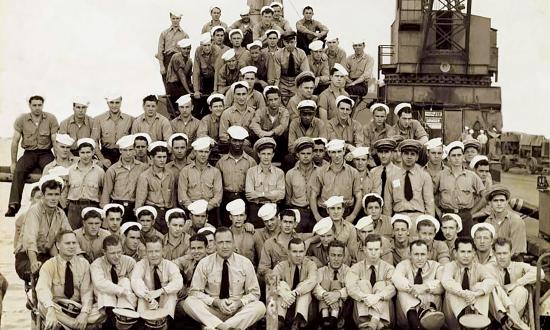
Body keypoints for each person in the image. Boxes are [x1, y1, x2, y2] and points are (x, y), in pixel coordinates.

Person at [183, 227, 266, 329]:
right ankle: (225, 327)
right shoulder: (204, 263)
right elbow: (194, 292)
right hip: (213, 311)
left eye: (228, 242)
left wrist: (238, 303)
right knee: (189, 302)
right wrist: (215, 302)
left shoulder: (245, 263)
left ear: (233, 243)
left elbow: (254, 293)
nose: (225, 246)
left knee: (260, 307)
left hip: (237, 312)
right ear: (214, 244)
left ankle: (218, 327)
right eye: (220, 242)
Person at [36, 230, 106, 329]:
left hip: (78, 309)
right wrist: (51, 309)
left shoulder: (84, 264)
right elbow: (42, 289)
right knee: (43, 306)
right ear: (58, 245)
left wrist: (84, 313)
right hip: (58, 308)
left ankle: (68, 325)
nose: (72, 246)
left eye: (74, 243)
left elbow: (87, 292)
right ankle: (75, 325)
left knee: (103, 307)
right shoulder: (49, 265)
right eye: (68, 243)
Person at [6, 95, 58, 217]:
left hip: (45, 153)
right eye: (34, 105)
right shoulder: (21, 120)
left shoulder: (51, 119)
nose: (37, 108)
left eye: (39, 105)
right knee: (19, 170)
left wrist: (58, 160)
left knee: (53, 173)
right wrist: (13, 162)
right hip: (29, 153)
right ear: (29, 105)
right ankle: (13, 205)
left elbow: (55, 141)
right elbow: (15, 141)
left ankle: (52, 204)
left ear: (43, 105)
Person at [14, 175, 71, 282]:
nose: (53, 198)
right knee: (46, 271)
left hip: (46, 256)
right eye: (49, 194)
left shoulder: (61, 213)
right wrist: (34, 262)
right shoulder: (34, 211)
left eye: (56, 194)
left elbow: (68, 235)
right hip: (26, 258)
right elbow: (30, 240)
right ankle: (44, 298)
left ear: (60, 196)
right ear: (43, 195)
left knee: (70, 270)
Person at [441, 237, 498, 329]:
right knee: (453, 290)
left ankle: (479, 325)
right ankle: (462, 326)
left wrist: (475, 294)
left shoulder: (479, 267)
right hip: (453, 317)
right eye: (462, 252)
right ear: (455, 253)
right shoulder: (450, 266)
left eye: (469, 252)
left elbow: (491, 281)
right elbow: (446, 281)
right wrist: (464, 294)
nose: (466, 255)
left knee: (481, 287)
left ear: (474, 253)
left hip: (473, 309)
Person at [486, 237, 540, 330]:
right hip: (496, 314)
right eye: (499, 253)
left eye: (505, 253)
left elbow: (540, 273)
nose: (502, 257)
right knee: (491, 289)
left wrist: (516, 284)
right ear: (494, 254)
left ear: (511, 252)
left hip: (515, 313)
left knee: (521, 290)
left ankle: (507, 324)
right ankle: (508, 323)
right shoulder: (489, 268)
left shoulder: (518, 266)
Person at [391, 240, 445, 330]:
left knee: (432, 291)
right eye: (416, 254)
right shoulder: (403, 265)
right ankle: (416, 324)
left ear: (428, 254)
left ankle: (425, 317)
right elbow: (397, 279)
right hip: (407, 316)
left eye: (423, 254)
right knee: (403, 293)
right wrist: (415, 291)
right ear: (410, 254)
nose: (420, 258)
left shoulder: (436, 266)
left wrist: (425, 287)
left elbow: (442, 284)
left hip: (431, 311)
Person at [434, 141, 485, 236]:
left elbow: (485, 196)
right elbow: (429, 194)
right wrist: (438, 211)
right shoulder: (440, 175)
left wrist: (472, 212)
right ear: (448, 158)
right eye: (453, 155)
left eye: (459, 155)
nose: (456, 158)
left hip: (465, 216)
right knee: (446, 244)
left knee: (466, 244)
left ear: (463, 157)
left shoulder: (472, 176)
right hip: (447, 215)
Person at [345, 233, 396, 329]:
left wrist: (377, 297)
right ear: (364, 249)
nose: (373, 253)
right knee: (363, 283)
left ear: (381, 250)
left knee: (381, 285)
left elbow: (393, 288)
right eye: (370, 249)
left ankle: (374, 321)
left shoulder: (389, 268)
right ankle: (372, 323)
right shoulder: (356, 268)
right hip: (362, 315)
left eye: (376, 249)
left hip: (385, 318)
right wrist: (366, 297)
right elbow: (351, 288)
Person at [130, 236, 183, 325]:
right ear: (146, 252)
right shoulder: (141, 264)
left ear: (163, 251)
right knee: (141, 296)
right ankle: (144, 323)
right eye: (150, 251)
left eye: (157, 251)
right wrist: (148, 297)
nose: (154, 255)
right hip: (148, 300)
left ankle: (164, 323)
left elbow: (178, 282)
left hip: (163, 300)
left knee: (171, 294)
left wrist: (161, 291)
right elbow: (136, 281)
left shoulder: (170, 265)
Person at [90, 235, 138, 328]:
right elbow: (100, 283)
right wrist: (123, 291)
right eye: (112, 253)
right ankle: (114, 323)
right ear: (104, 252)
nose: (117, 256)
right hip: (105, 304)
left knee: (125, 281)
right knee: (106, 290)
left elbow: (135, 281)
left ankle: (125, 320)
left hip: (125, 301)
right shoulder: (97, 264)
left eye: (119, 252)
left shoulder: (129, 261)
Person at [383, 139, 435, 223]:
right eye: (406, 153)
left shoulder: (424, 176)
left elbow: (429, 203)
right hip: (398, 218)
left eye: (412, 154)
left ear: (417, 157)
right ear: (401, 155)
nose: (409, 157)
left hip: (418, 218)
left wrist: (429, 224)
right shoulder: (392, 177)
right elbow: (387, 205)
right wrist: (388, 224)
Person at [310, 139, 362, 222]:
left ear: (344, 151)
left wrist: (353, 215)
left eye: (339, 151)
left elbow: (358, 195)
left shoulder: (353, 172)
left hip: (346, 213)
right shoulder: (320, 172)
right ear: (329, 153)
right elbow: (313, 195)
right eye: (333, 152)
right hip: (325, 213)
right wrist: (317, 216)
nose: (337, 155)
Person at [101, 135, 148, 223]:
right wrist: (105, 213)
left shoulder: (143, 168)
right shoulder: (113, 169)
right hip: (117, 206)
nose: (128, 153)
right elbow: (106, 192)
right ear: (120, 151)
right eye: (125, 150)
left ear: (134, 150)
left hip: (135, 206)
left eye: (130, 150)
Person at [273, 237, 318, 329]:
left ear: (305, 252)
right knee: (281, 284)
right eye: (294, 252)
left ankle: (298, 321)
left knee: (304, 287)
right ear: (288, 252)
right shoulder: (281, 265)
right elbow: (272, 282)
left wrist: (294, 293)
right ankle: (280, 320)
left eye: (301, 251)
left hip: (306, 306)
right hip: (284, 303)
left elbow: (312, 280)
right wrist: (284, 294)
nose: (298, 255)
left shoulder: (310, 264)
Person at [216, 126, 257, 226]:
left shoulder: (251, 162)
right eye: (234, 140)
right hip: (226, 198)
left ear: (244, 142)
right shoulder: (221, 162)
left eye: (240, 141)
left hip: (244, 198)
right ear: (229, 140)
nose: (237, 144)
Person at [178, 136, 223, 226]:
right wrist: (193, 209)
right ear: (195, 152)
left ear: (209, 153)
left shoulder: (215, 172)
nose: (203, 155)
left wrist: (206, 209)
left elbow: (218, 195)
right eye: (200, 151)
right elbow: (182, 194)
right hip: (191, 211)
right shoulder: (185, 171)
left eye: (206, 152)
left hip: (209, 211)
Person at [258, 209, 313, 278]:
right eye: (285, 222)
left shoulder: (300, 238)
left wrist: (309, 240)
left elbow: (319, 234)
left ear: (295, 224)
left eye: (290, 222)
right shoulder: (269, 243)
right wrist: (274, 273)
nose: (287, 225)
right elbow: (263, 268)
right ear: (280, 223)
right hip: (278, 279)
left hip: (298, 278)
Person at [65, 138, 105, 229]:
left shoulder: (99, 172)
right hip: (74, 207)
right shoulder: (71, 170)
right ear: (78, 153)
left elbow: (103, 190)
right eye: (82, 153)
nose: (85, 156)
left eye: (88, 152)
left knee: (91, 233)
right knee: (72, 233)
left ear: (93, 152)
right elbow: (66, 189)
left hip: (92, 206)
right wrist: (66, 206)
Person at [245, 137, 285, 228]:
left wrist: (259, 194)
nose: (266, 157)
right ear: (258, 154)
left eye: (269, 154)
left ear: (273, 155)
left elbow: (281, 195)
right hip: (256, 210)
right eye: (263, 154)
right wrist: (271, 195)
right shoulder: (251, 172)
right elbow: (249, 195)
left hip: (273, 208)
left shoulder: (279, 173)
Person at [135, 141, 174, 234]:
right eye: (159, 157)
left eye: (164, 157)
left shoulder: (170, 174)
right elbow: (140, 199)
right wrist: (138, 218)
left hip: (167, 211)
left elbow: (173, 196)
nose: (162, 160)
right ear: (152, 158)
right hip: (152, 211)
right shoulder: (145, 176)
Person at [313, 240, 352, 329]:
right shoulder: (321, 271)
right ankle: (325, 318)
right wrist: (327, 296)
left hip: (342, 310)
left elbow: (351, 287)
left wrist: (337, 294)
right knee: (324, 283)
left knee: (337, 284)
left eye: (339, 255)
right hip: (322, 309)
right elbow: (315, 287)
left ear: (344, 257)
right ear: (327, 257)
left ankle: (334, 319)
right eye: (333, 255)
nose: (336, 259)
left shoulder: (348, 271)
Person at [268, 30, 310, 104]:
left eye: (292, 42)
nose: (290, 45)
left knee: (297, 100)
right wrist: (276, 88)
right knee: (280, 101)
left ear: (295, 42)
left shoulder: (301, 53)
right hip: (283, 81)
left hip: (296, 80)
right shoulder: (278, 54)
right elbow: (277, 74)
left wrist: (301, 86)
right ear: (284, 42)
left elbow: (305, 73)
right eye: (287, 43)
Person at [484, 185, 527, 258]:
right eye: (495, 201)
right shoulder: (487, 222)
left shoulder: (516, 221)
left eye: (502, 200)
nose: (499, 204)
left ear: (507, 202)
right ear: (490, 203)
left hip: (513, 260)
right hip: (494, 260)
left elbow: (516, 251)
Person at [91, 95, 134, 168]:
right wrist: (102, 159)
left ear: (121, 102)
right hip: (106, 154)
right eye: (111, 102)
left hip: (124, 154)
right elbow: (94, 141)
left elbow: (134, 139)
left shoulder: (130, 119)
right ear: (107, 103)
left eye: (117, 102)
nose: (114, 105)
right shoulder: (98, 119)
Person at [285, 137, 317, 233]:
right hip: (298, 212)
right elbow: (288, 198)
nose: (306, 156)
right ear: (297, 155)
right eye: (303, 154)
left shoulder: (320, 172)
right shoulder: (290, 174)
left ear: (313, 154)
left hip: (315, 212)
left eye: (308, 153)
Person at [250, 85, 290, 156]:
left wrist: (271, 133)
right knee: (253, 134)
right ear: (267, 101)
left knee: (285, 133)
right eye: (271, 100)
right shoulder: (261, 111)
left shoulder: (284, 112)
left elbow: (283, 126)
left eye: (276, 99)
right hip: (263, 139)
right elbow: (253, 124)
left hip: (278, 140)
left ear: (280, 99)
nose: (273, 102)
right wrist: (261, 133)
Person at [156, 11, 189, 87]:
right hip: (167, 59)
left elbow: (187, 52)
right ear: (170, 18)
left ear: (180, 19)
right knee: (167, 81)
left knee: (179, 81)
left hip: (179, 60)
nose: (175, 20)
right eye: (173, 18)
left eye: (177, 18)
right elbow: (160, 50)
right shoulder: (164, 33)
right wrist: (161, 66)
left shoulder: (184, 35)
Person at [192, 33, 220, 119]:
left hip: (214, 78)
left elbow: (217, 71)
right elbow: (196, 71)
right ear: (201, 45)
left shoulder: (216, 50)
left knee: (211, 102)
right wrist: (196, 90)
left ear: (212, 43)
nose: (207, 48)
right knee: (198, 103)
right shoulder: (198, 51)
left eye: (208, 45)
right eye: (204, 45)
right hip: (203, 79)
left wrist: (215, 90)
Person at [164, 39, 193, 119]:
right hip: (173, 84)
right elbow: (182, 76)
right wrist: (189, 91)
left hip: (183, 85)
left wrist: (192, 89)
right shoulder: (176, 57)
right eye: (184, 49)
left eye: (188, 48)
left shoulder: (190, 61)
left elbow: (188, 77)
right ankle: (176, 114)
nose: (186, 51)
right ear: (180, 49)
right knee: (184, 96)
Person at [13, 185, 43, 251]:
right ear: (31, 198)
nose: (41, 201)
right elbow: (17, 244)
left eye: (43, 198)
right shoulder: (22, 216)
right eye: (38, 198)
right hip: (25, 252)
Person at [166, 133, 190, 206]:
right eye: (176, 148)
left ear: (187, 148)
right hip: (171, 204)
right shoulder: (166, 168)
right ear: (172, 149)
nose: (179, 151)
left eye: (182, 147)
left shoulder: (193, 167)